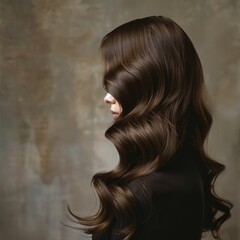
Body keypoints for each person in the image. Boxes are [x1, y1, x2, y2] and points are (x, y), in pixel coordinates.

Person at [67, 16, 233, 240]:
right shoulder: (187, 172)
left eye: (118, 83)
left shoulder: (147, 193)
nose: (107, 97)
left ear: (148, 84)